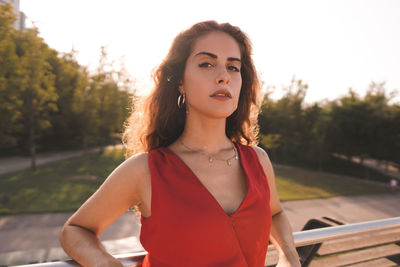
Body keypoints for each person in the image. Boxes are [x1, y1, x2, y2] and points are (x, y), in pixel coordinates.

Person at [60, 20, 300, 267]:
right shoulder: (146, 170)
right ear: (180, 82)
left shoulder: (258, 160)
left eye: (233, 67)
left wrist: (289, 256)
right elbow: (76, 230)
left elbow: (275, 213)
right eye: (206, 64)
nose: (223, 77)